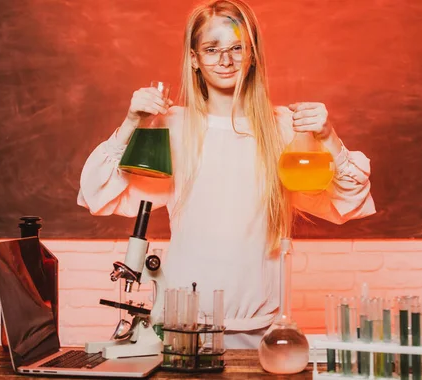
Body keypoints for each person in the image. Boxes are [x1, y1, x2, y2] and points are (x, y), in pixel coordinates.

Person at [77, 0, 375, 349]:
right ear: (194, 58)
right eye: (212, 49)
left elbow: (348, 202)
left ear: (252, 55)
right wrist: (131, 122)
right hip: (184, 328)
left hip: (261, 331)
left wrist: (329, 138)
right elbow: (97, 193)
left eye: (237, 48)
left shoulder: (282, 129)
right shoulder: (172, 127)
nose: (225, 60)